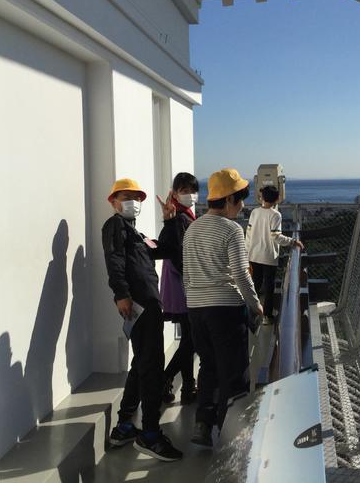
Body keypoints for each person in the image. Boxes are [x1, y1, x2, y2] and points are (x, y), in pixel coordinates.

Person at [102, 178, 182, 462]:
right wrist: (121, 294)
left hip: (148, 305)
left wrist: (169, 221)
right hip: (139, 304)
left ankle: (124, 425)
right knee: (151, 367)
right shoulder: (115, 226)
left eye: (136, 197)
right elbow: (114, 260)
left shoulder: (136, 233)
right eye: (126, 196)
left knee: (141, 364)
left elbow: (166, 250)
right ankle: (149, 434)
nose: (132, 202)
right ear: (113, 202)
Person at [182, 168, 263, 448]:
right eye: (240, 199)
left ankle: (203, 424)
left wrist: (195, 302)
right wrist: (255, 304)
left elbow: (187, 274)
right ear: (229, 199)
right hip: (225, 309)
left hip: (196, 309)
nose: (242, 206)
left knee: (208, 366)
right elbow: (241, 274)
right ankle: (231, 438)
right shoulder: (231, 230)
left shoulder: (192, 228)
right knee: (234, 372)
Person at [157, 172, 199, 405]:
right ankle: (166, 378)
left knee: (188, 339)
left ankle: (188, 388)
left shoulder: (183, 215)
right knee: (191, 340)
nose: (190, 195)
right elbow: (177, 251)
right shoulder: (179, 217)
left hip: (180, 282)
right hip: (182, 284)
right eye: (184, 191)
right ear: (174, 193)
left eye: (192, 190)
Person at [245, 185, 304, 324]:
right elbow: (276, 236)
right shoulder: (276, 215)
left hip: (253, 255)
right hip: (268, 256)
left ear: (262, 197)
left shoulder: (254, 212)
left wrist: (247, 252)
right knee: (269, 287)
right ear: (277, 199)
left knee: (255, 285)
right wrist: (293, 241)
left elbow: (248, 234)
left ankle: (251, 315)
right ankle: (267, 316)